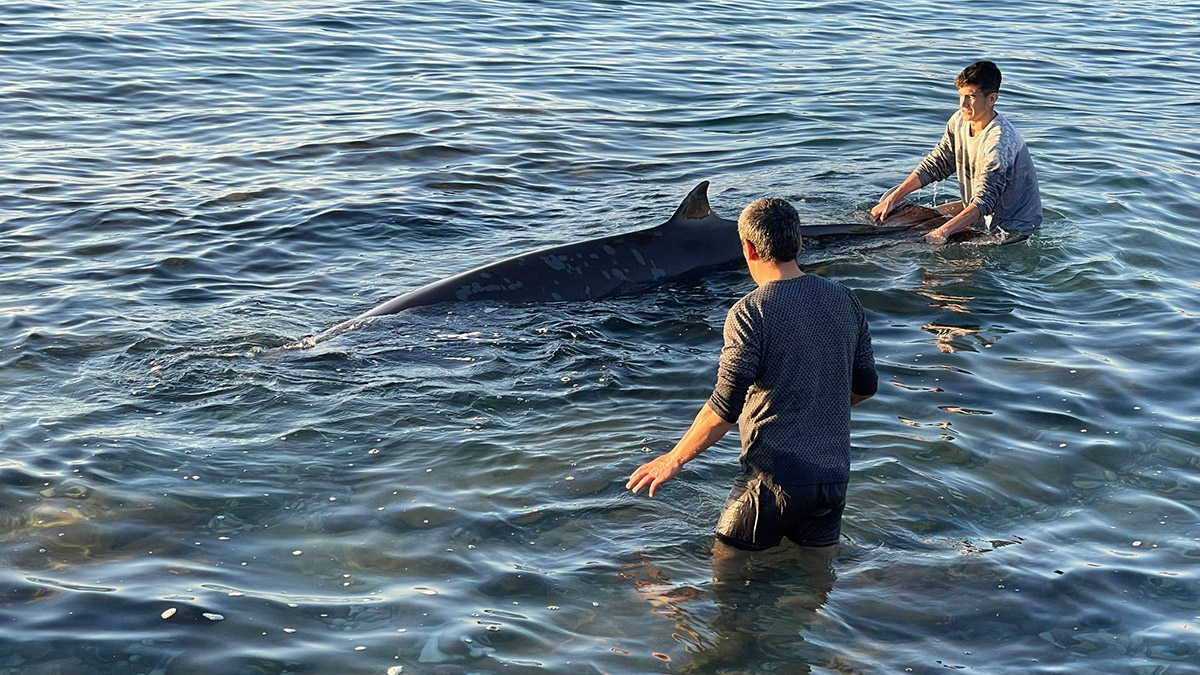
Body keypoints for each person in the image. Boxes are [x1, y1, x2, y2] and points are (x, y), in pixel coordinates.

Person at [625, 197, 877, 556]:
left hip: (771, 482)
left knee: (725, 584)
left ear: (748, 248)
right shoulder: (844, 299)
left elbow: (725, 407)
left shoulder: (749, 313)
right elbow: (865, 387)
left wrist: (674, 458)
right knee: (816, 588)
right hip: (833, 479)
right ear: (800, 242)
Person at [871, 60, 1042, 244]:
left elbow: (985, 201)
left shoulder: (999, 142)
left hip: (1013, 229)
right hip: (978, 212)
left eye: (971, 97)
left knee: (938, 257)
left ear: (992, 99)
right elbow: (937, 164)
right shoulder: (959, 120)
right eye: (961, 95)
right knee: (899, 220)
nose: (963, 104)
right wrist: (894, 198)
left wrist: (942, 232)